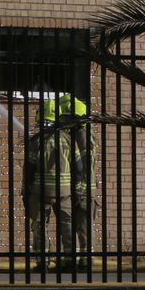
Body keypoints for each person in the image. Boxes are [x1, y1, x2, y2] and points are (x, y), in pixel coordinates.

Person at [23, 93, 96, 271]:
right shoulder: (69, 138)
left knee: (40, 226)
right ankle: (74, 260)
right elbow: (79, 168)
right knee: (68, 225)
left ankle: (43, 262)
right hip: (65, 193)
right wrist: (76, 188)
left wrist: (26, 191)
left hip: (41, 192)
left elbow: (29, 169)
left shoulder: (37, 141)